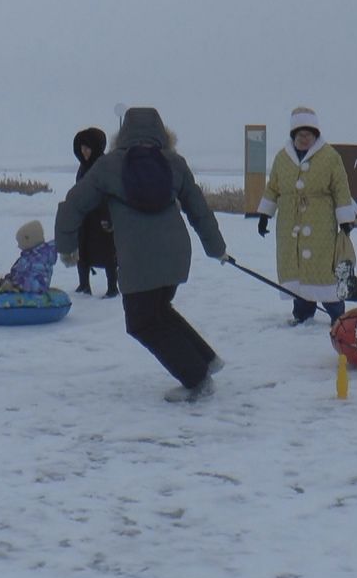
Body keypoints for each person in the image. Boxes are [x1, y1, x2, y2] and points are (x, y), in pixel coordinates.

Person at [55, 107, 228, 403]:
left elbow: (74, 205)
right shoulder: (174, 163)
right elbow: (199, 210)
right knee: (159, 309)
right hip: (175, 254)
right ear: (163, 133)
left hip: (138, 257)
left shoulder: (109, 166)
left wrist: (67, 247)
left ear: (122, 135)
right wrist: (217, 248)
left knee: (142, 322)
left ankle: (196, 379)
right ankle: (205, 359)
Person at [255, 106, 357, 325]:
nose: (304, 139)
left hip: (320, 221)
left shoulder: (330, 156)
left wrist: (345, 219)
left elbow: (341, 187)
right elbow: (273, 187)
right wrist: (265, 214)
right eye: (300, 134)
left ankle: (337, 317)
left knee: (323, 270)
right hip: (289, 222)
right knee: (297, 267)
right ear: (293, 135)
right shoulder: (282, 158)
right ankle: (302, 314)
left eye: (309, 134)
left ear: (315, 134)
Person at [71, 127, 119, 297]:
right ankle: (84, 285)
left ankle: (113, 288)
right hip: (85, 218)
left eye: (87, 147)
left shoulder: (105, 166)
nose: (84, 151)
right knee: (82, 251)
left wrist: (109, 217)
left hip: (102, 217)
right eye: (82, 148)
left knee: (108, 253)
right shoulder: (82, 168)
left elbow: (111, 192)